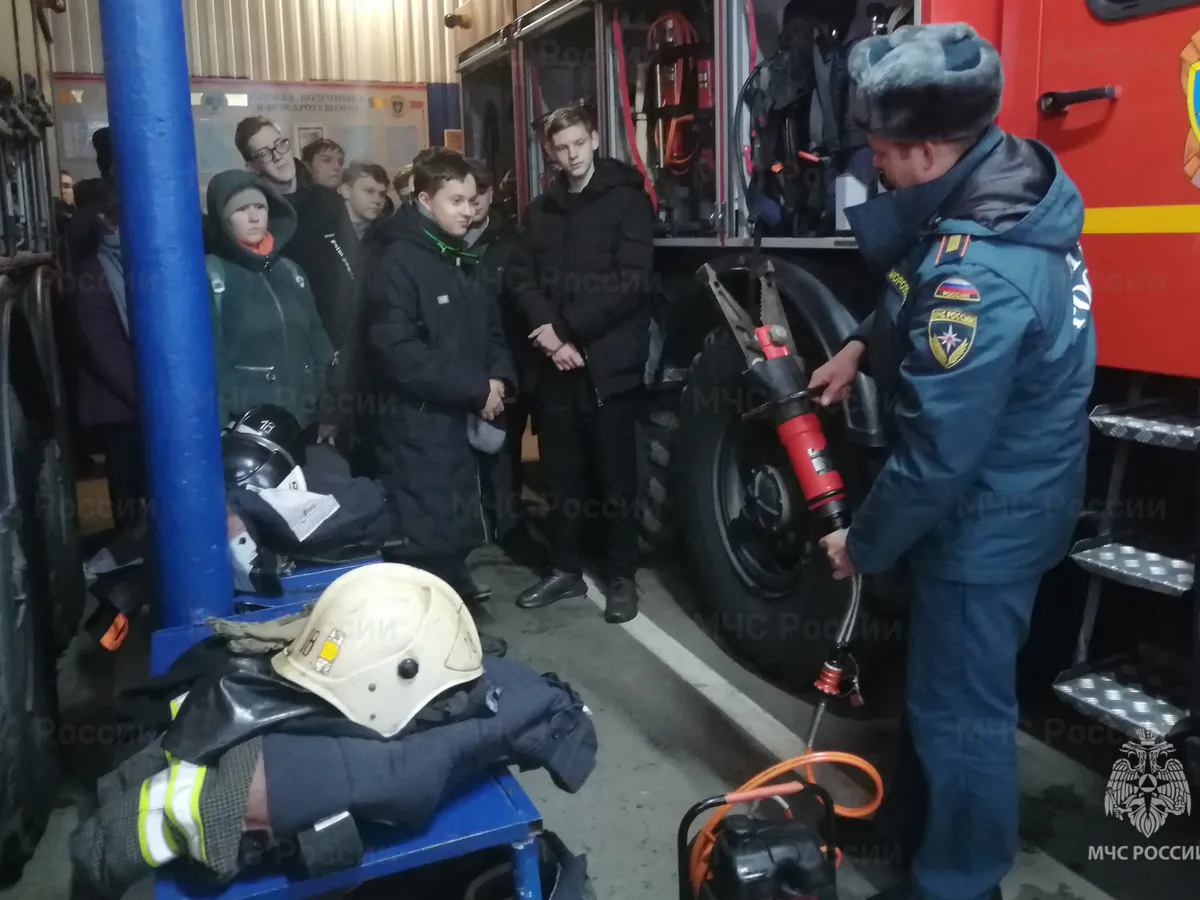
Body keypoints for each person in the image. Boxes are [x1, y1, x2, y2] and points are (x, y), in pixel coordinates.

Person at [807, 23, 1095, 900]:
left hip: (984, 526)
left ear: (929, 151)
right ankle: (916, 834)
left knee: (963, 719)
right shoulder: (999, 186)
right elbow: (915, 281)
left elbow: (936, 457)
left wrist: (862, 543)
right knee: (940, 701)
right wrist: (860, 344)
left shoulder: (981, 278)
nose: (876, 169)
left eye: (883, 154)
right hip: (1009, 495)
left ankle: (961, 882)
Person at [507, 105, 655, 624]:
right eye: (561, 147)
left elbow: (632, 281)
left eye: (578, 143)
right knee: (561, 474)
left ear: (594, 139)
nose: (571, 155)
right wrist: (549, 337)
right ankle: (565, 568)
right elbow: (520, 277)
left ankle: (621, 577)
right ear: (550, 151)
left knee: (616, 478)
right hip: (554, 364)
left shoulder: (627, 201)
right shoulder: (541, 210)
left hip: (607, 365)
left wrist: (567, 329)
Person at [361, 148, 515, 603]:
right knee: (424, 535)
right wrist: (475, 389)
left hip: (456, 420)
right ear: (426, 201)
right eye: (456, 201)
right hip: (418, 426)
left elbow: (490, 327)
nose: (468, 210)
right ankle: (435, 623)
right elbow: (399, 352)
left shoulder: (456, 255)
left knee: (451, 526)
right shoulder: (397, 262)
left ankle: (454, 602)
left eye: (472, 200)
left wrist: (499, 379)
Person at [203, 169, 337, 439]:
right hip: (248, 427)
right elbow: (212, 360)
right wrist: (218, 425)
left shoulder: (291, 271)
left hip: (305, 422)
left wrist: (329, 409)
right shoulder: (212, 274)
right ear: (223, 219)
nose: (254, 217)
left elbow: (318, 344)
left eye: (260, 207)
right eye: (241, 210)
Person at [464, 158, 549, 569]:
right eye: (465, 195)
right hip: (463, 366)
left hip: (509, 364)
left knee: (504, 451)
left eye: (480, 193)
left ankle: (511, 528)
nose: (473, 203)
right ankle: (475, 527)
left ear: (491, 193)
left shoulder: (512, 242)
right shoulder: (443, 242)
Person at [284, 162, 390, 448]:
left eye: (382, 193)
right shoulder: (316, 236)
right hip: (328, 346)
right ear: (344, 190)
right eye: (369, 191)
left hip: (368, 354)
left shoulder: (385, 237)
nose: (377, 199)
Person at [63, 185, 145, 534]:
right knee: (130, 494)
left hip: (146, 402)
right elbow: (103, 348)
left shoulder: (144, 264)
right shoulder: (94, 272)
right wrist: (146, 395)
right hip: (121, 407)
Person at [234, 116, 313, 202]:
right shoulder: (253, 204)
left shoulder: (319, 193)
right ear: (252, 167)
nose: (278, 156)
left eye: (280, 144)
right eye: (264, 153)